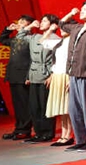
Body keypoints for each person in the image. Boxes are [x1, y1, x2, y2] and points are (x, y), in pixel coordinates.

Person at [59, 1, 86, 151]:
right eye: (82, 9)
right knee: (74, 110)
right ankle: (80, 140)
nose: (82, 11)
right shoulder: (76, 27)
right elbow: (61, 23)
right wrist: (71, 13)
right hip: (74, 74)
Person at [22, 14, 59, 143]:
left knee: (45, 106)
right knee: (34, 106)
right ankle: (38, 133)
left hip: (46, 74)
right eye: (41, 21)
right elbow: (20, 37)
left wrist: (52, 75)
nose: (41, 23)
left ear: (52, 24)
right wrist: (30, 26)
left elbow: (57, 58)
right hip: (34, 74)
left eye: (44, 21)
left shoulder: (55, 39)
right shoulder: (35, 36)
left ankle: (47, 133)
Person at [0, 15, 35, 140]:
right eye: (19, 21)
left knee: (24, 104)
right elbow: (2, 40)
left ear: (29, 25)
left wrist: (29, 75)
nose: (19, 23)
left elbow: (33, 59)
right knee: (17, 105)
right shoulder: (15, 39)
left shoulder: (30, 39)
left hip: (23, 76)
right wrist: (8, 29)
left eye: (23, 22)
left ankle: (25, 130)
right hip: (13, 75)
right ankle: (18, 129)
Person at [44, 28, 73, 146]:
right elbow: (43, 42)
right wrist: (50, 30)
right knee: (61, 108)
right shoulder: (60, 41)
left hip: (66, 75)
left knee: (67, 107)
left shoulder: (72, 41)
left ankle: (69, 135)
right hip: (57, 75)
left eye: (64, 27)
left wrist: (71, 78)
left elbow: (73, 61)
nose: (61, 29)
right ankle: (63, 134)